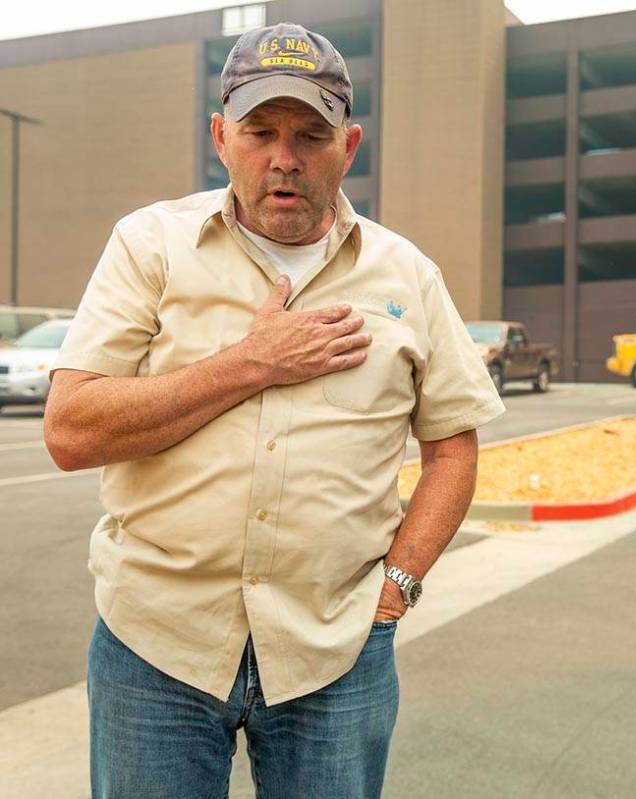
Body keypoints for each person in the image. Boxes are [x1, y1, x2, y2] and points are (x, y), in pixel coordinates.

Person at [43, 21, 504, 798]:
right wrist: (251, 363)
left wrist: (400, 585)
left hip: (337, 650)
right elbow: (71, 429)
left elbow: (453, 449)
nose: (283, 157)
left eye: (310, 134)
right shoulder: (151, 245)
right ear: (222, 137)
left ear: (348, 146)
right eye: (260, 131)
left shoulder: (408, 274)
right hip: (156, 645)